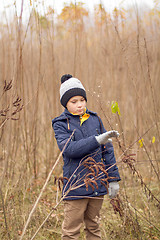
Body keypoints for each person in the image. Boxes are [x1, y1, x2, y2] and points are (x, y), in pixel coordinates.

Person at [52, 74, 121, 240]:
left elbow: (107, 151)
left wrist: (112, 179)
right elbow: (69, 149)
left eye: (82, 100)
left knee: (94, 227)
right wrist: (96, 140)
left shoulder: (95, 119)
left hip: (97, 184)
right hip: (75, 186)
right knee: (71, 232)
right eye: (73, 102)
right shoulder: (61, 123)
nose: (79, 105)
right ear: (65, 103)